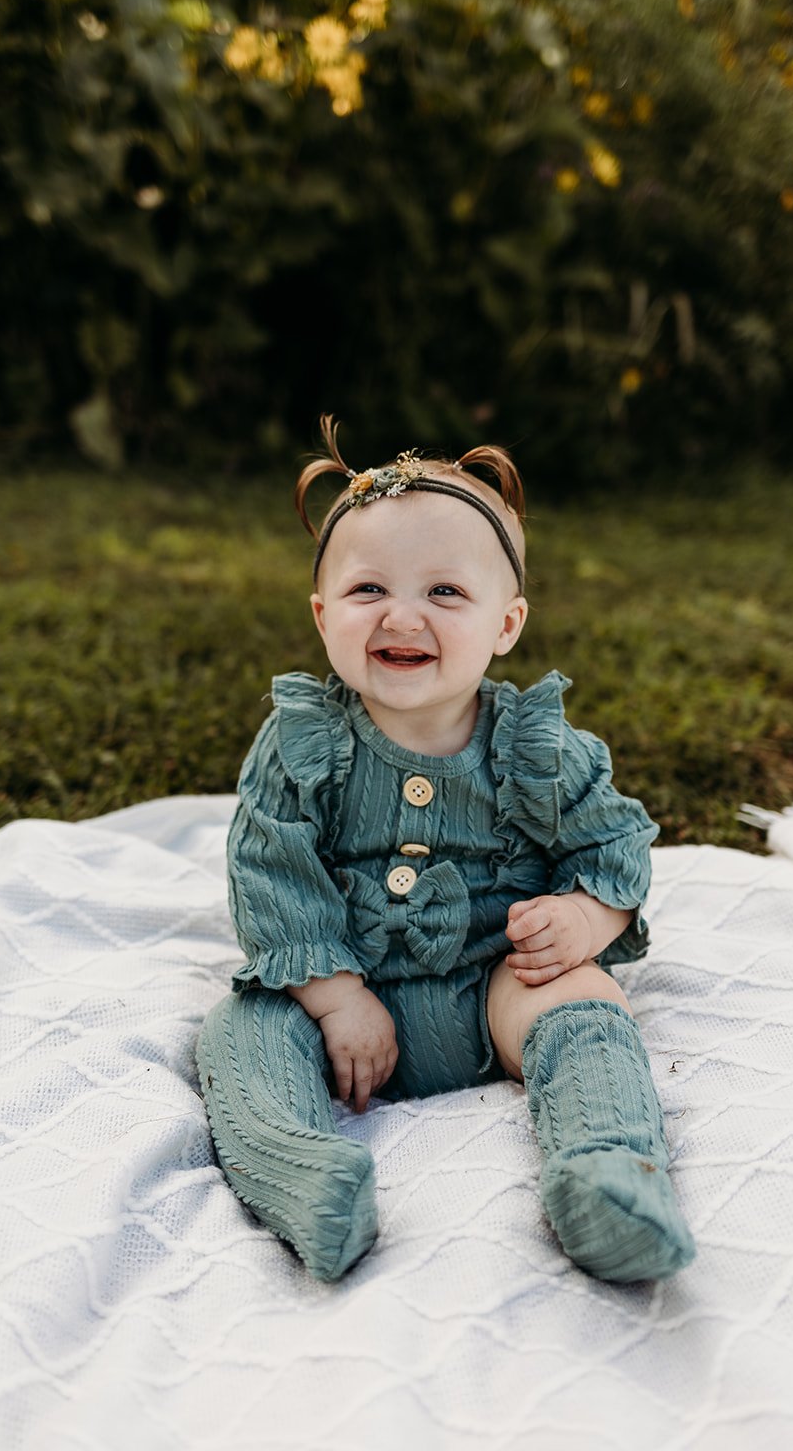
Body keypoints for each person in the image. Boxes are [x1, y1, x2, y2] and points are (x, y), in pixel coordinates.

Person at [196, 417, 695, 1284]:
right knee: (242, 1029)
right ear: (322, 616)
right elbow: (268, 870)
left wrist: (585, 914)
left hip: (494, 983)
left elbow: (613, 837)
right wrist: (336, 996)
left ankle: (606, 1170)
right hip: (340, 994)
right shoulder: (301, 742)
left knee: (583, 996)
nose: (402, 615)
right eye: (367, 591)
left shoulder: (535, 746)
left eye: (444, 593)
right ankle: (305, 1176)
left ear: (506, 624)